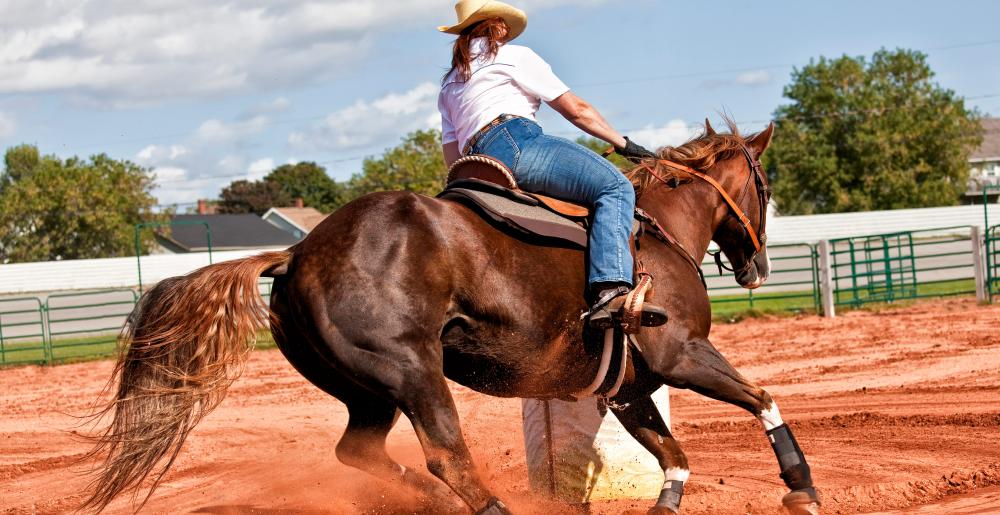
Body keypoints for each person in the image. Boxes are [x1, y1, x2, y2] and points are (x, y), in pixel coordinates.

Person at [438, 0, 667, 329]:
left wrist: (458, 188)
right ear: (496, 26)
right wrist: (624, 144)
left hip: (474, 166)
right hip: (516, 142)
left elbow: (451, 152)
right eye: (504, 24)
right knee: (615, 187)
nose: (507, 30)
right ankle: (611, 289)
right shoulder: (514, 56)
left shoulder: (450, 83)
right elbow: (576, 110)